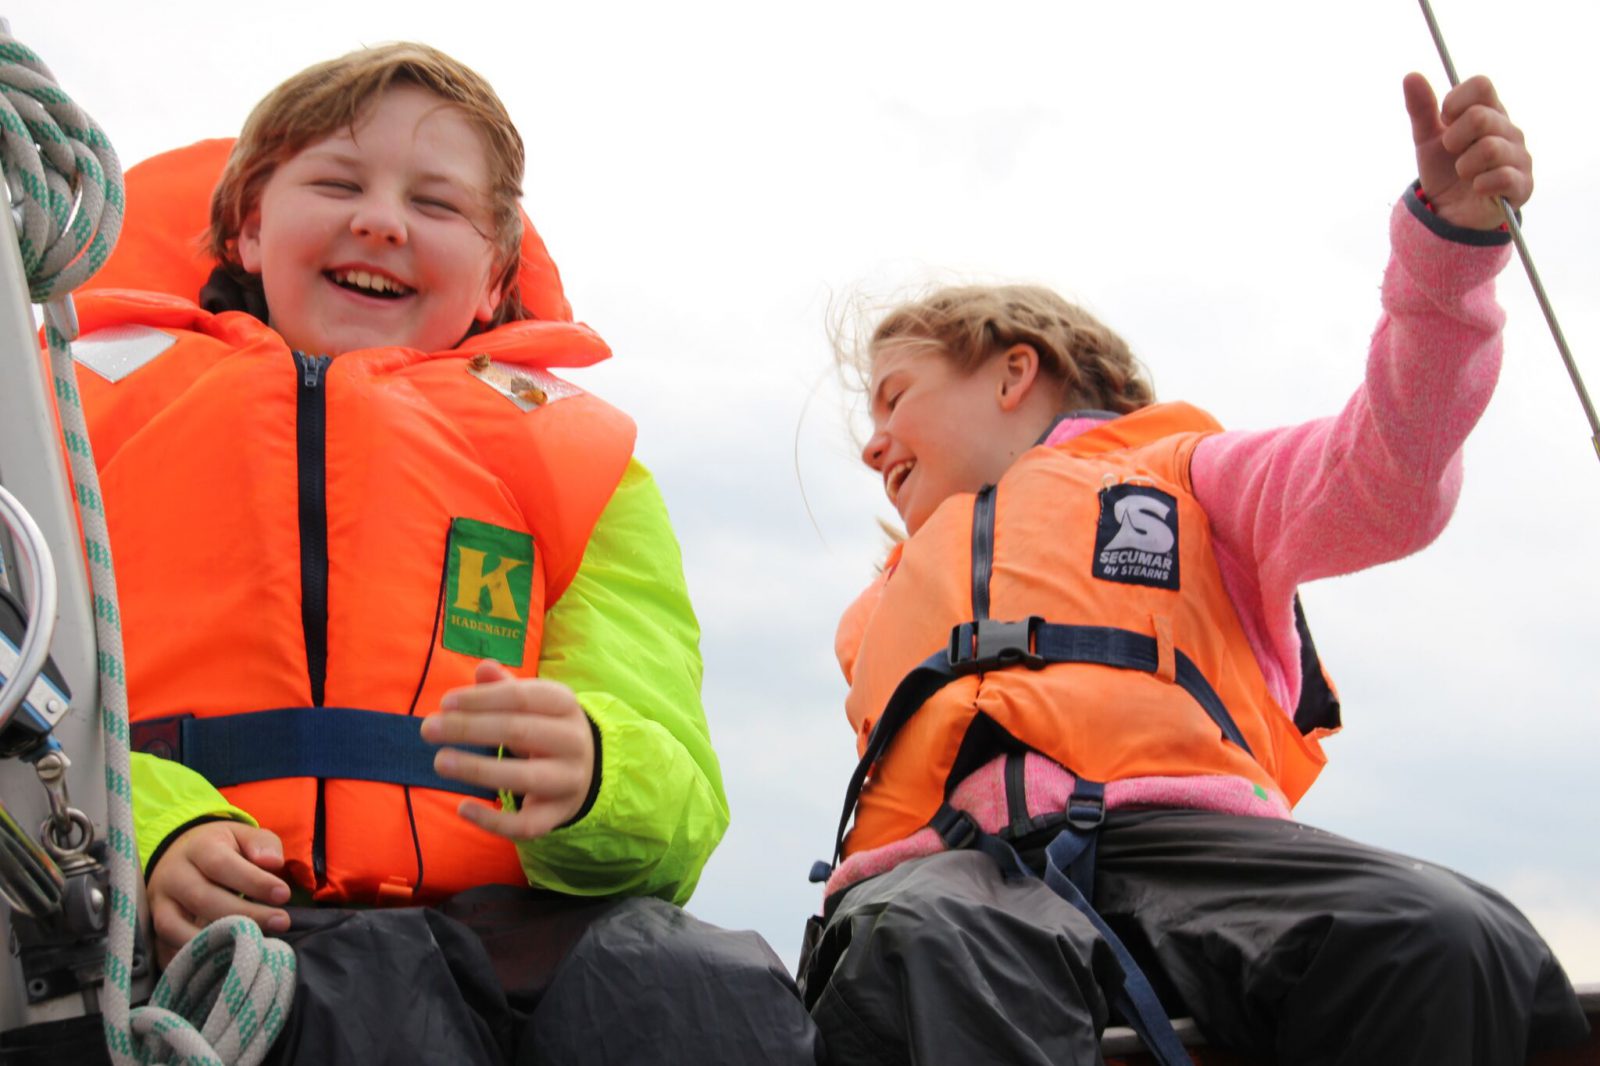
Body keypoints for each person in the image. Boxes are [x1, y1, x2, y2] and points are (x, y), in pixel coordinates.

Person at [797, 72, 1591, 1065]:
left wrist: (1452, 253)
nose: (873, 446)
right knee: (917, 943)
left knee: (1437, 933)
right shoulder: (881, 603)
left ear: (1012, 369)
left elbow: (1387, 476)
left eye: (894, 397)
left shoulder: (1188, 476)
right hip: (942, 868)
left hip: (1187, 844)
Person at [72, 42, 821, 1065]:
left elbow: (679, 796)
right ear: (247, 226)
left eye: (435, 204)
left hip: (513, 929)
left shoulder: (585, 469)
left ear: (494, 274)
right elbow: (27, 704)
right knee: (360, 1005)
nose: (380, 219)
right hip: (234, 928)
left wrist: (599, 771)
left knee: (703, 992)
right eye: (336, 181)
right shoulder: (72, 425)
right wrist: (151, 834)